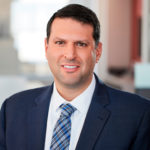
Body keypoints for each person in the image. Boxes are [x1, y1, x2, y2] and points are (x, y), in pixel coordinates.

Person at [0, 4, 150, 150]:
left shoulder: (138, 114)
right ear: (46, 48)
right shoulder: (12, 109)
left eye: (81, 44)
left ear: (97, 52)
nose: (70, 55)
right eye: (60, 43)